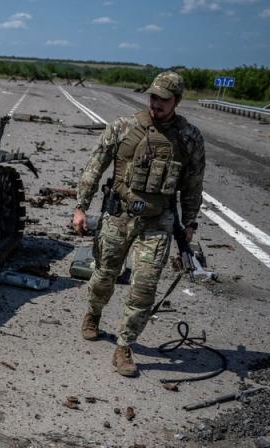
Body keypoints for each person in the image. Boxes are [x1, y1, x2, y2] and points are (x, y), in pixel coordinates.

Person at [71, 71, 205, 377]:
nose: (156, 103)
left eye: (163, 99)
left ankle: (124, 345)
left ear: (178, 101)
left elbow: (193, 184)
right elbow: (96, 164)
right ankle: (93, 313)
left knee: (144, 286)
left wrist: (190, 222)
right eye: (153, 97)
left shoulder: (188, 138)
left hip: (158, 221)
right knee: (105, 274)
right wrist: (81, 207)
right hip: (118, 216)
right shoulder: (123, 127)